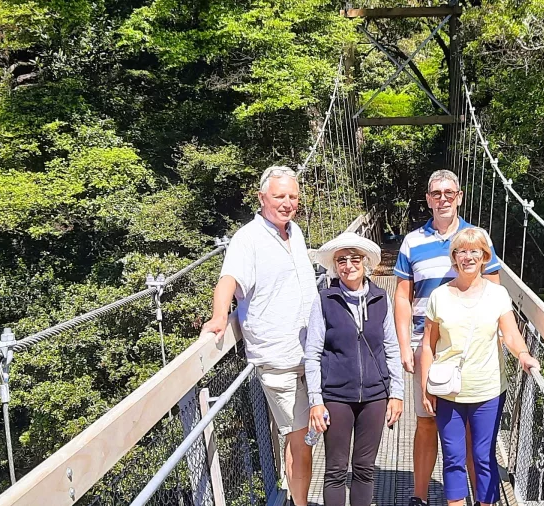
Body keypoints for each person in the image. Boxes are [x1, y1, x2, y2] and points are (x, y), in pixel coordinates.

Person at [201, 166, 316, 506]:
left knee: (298, 438)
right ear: (262, 197)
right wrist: (220, 315)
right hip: (279, 359)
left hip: (311, 355)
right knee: (302, 440)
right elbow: (229, 279)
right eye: (279, 196)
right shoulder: (247, 238)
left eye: (293, 197)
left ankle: (294, 494)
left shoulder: (294, 232)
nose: (287, 203)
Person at [394, 169, 503, 506]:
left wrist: (498, 343)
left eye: (449, 193)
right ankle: (420, 496)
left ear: (459, 197)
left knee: (471, 433)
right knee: (427, 422)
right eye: (436, 193)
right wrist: (403, 347)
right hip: (425, 346)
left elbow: (495, 293)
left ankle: (472, 497)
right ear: (428, 199)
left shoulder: (476, 237)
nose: (442, 199)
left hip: (470, 351)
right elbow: (401, 296)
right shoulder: (412, 241)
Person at [419, 228, 541, 506]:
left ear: (485, 256)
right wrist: (425, 387)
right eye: (461, 251)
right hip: (448, 391)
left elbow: (510, 334)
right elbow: (428, 344)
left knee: (483, 456)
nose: (468, 257)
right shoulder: (439, 296)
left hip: (488, 390)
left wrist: (523, 354)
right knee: (453, 458)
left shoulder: (498, 294)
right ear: (454, 257)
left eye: (475, 251)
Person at [304, 232, 405, 506]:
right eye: (341, 260)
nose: (348, 265)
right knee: (335, 470)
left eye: (354, 259)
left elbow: (392, 348)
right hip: (336, 396)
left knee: (364, 468)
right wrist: (316, 401)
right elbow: (312, 353)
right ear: (335, 266)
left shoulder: (381, 297)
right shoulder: (325, 301)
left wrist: (397, 394)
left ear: (365, 263)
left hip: (375, 396)